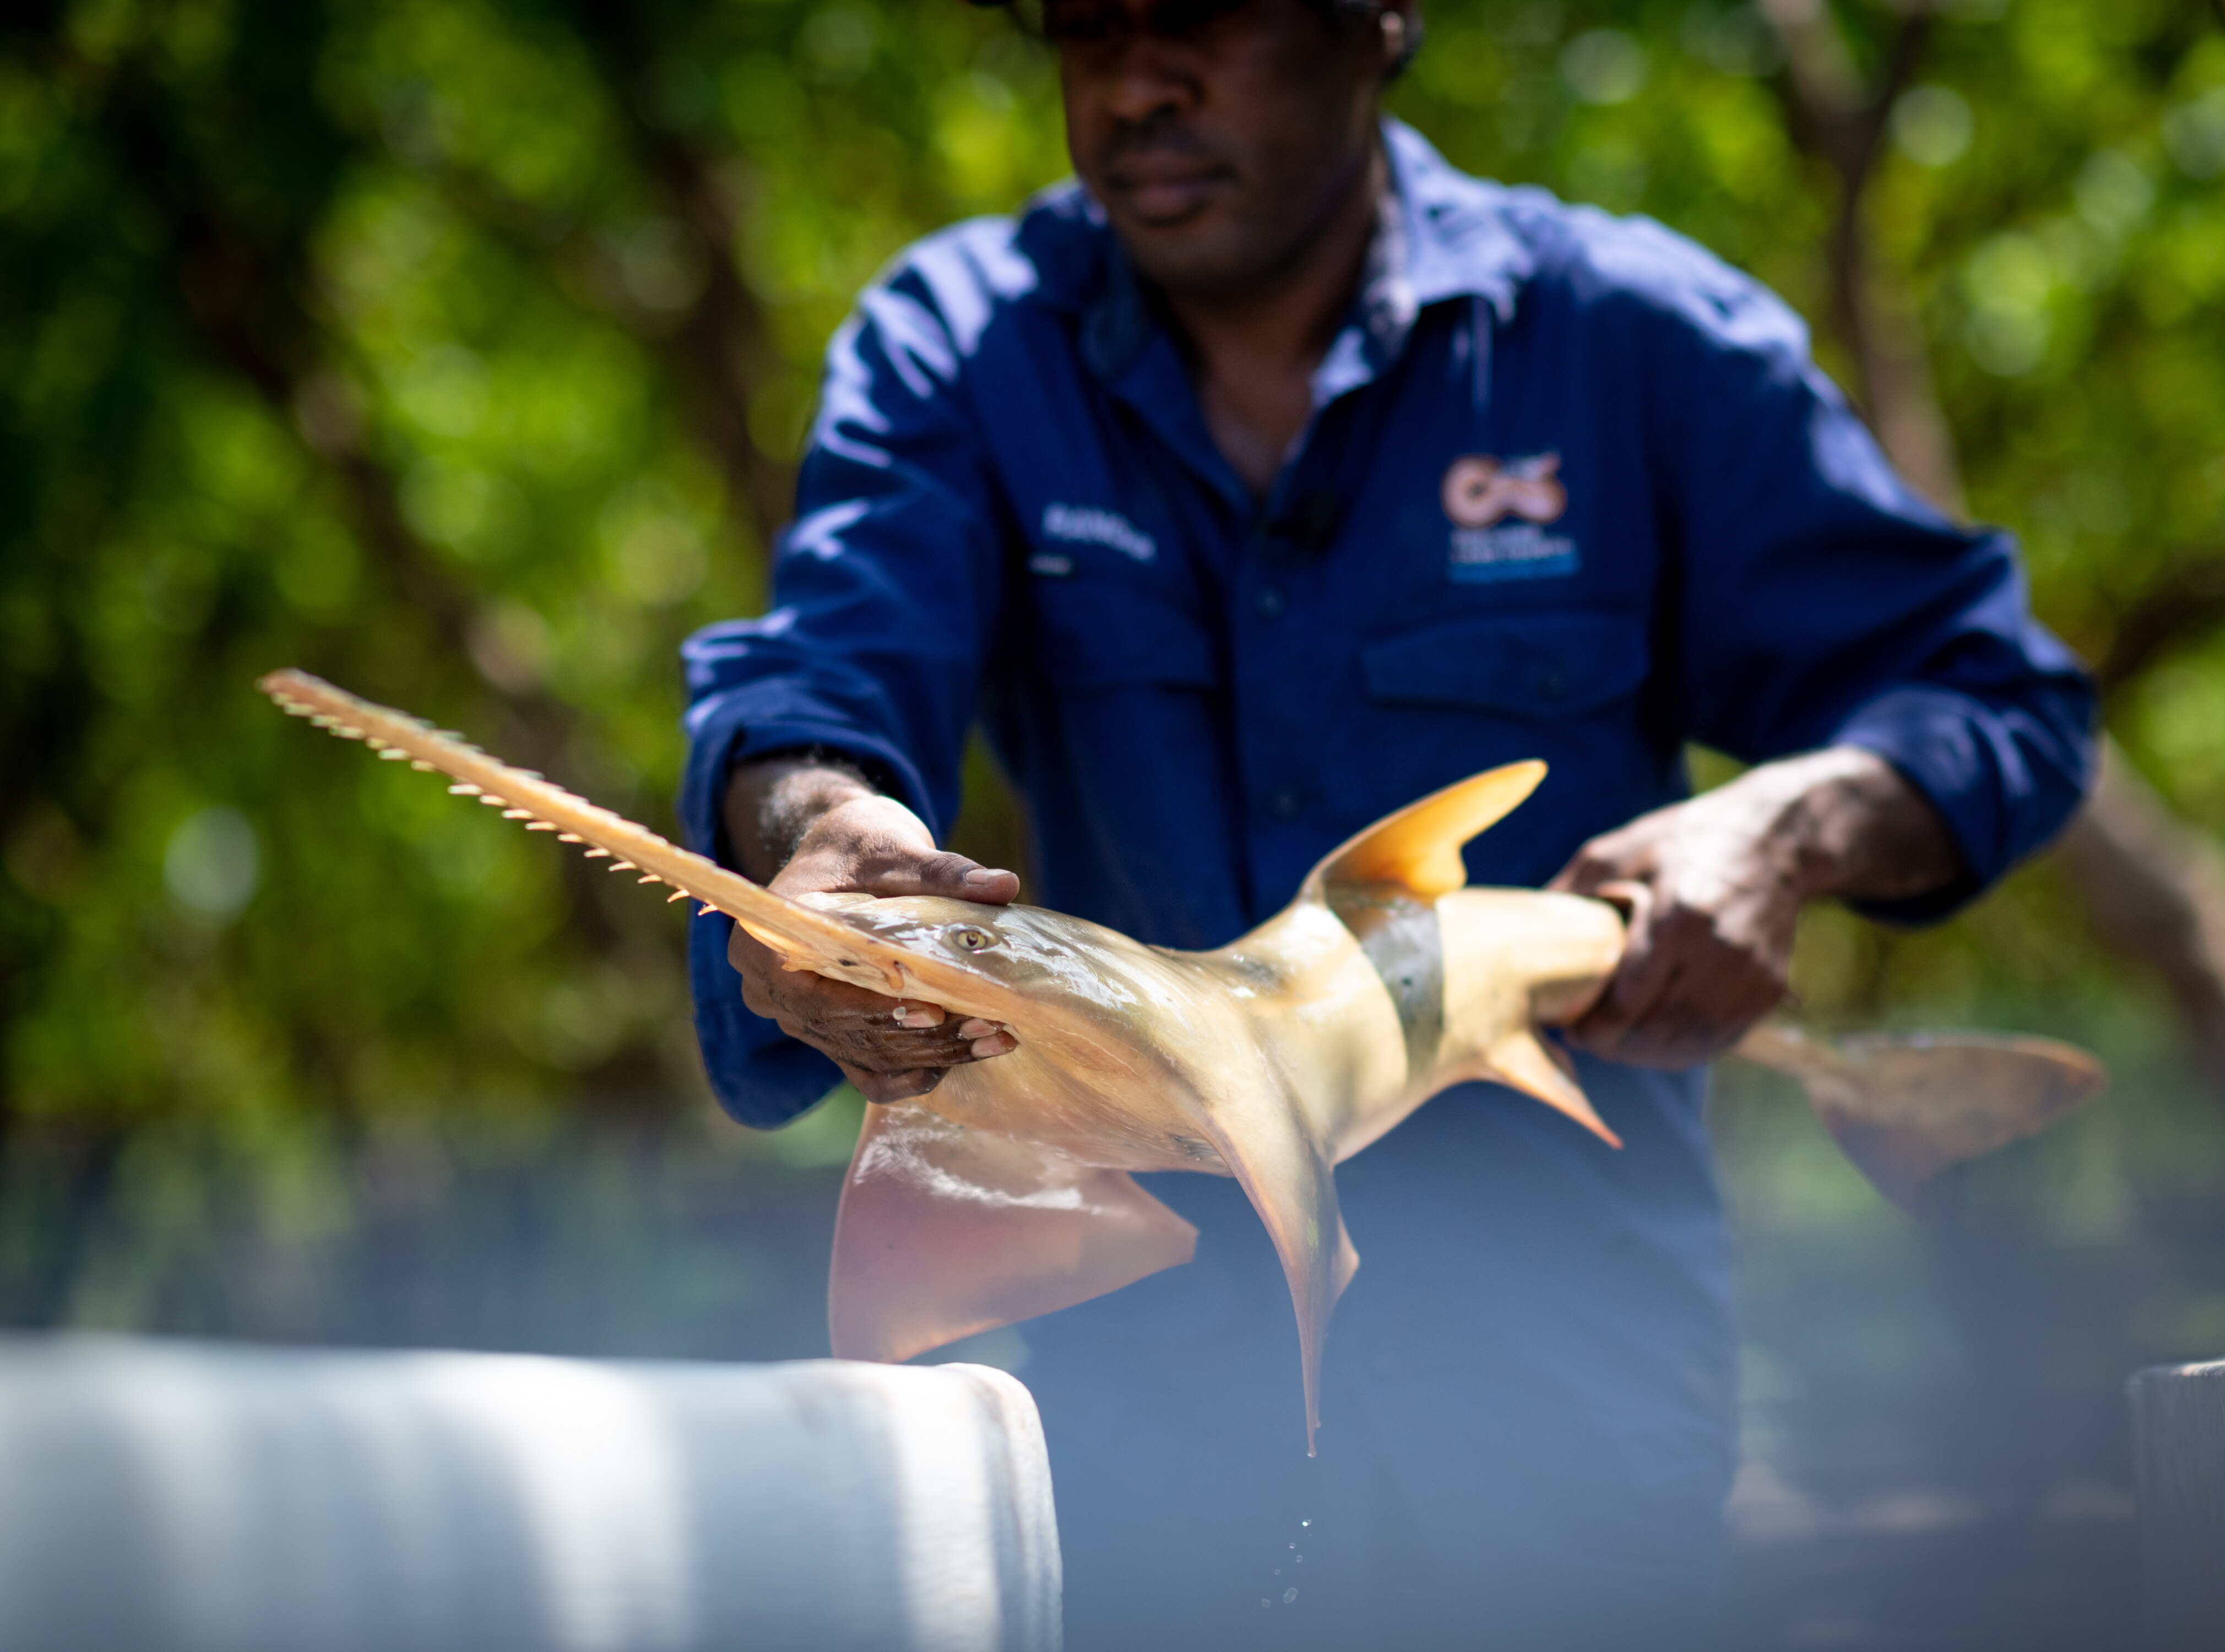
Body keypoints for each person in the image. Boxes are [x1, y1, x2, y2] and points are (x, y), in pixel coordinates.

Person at [677, 1, 2094, 1646]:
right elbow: (817, 674)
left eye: (1208, 19)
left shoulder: (1622, 338)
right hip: (1150, 1413)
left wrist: (1784, 831)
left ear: (1376, 25)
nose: (1136, 85)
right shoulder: (967, 346)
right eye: (1084, 28)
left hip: (1568, 1393)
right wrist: (820, 826)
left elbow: (1996, 698)